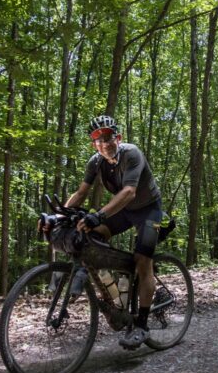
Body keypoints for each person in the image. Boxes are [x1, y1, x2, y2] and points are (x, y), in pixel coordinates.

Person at [64, 115, 163, 350]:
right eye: (98, 139)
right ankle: (116, 293)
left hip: (149, 211)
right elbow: (80, 193)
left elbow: (129, 192)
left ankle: (141, 325)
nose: (104, 143)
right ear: (94, 144)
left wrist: (98, 214)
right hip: (124, 211)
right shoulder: (95, 162)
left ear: (117, 138)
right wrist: (60, 215)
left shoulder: (132, 153)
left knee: (142, 262)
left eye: (108, 137)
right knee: (92, 236)